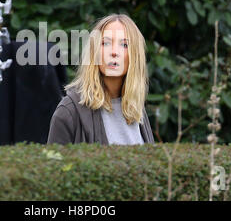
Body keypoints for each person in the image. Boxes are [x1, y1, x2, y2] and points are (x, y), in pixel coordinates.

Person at [47, 14, 154, 145]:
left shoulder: (136, 109)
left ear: (135, 56)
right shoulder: (69, 111)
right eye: (106, 43)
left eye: (124, 45)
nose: (114, 52)